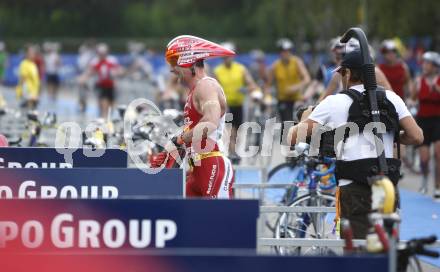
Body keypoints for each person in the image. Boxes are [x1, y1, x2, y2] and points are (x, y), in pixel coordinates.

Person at [288, 49, 423, 238]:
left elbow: (293, 137)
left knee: (357, 254)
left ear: (348, 73)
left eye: (342, 73)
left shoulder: (335, 102)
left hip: (354, 187)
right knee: (386, 250)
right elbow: (417, 136)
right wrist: (392, 136)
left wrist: (307, 115)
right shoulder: (392, 99)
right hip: (387, 185)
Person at [152, 35, 235, 199]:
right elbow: (193, 130)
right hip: (197, 168)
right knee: (188, 222)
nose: (172, 70)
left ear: (189, 62)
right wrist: (171, 148)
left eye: (175, 64)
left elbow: (210, 123)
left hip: (212, 164)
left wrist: (180, 140)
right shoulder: (195, 91)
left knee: (219, 224)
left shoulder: (206, 85)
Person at [214, 42, 258, 162]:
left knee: (237, 132)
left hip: (239, 104)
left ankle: (234, 154)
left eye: (228, 56)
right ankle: (232, 154)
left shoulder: (240, 69)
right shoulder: (218, 71)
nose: (226, 59)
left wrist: (247, 89)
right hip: (225, 106)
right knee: (230, 132)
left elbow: (251, 84)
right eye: (224, 56)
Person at [318, 38, 392, 102]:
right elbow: (323, 98)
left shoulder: (374, 72)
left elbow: (391, 97)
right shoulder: (339, 74)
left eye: (341, 57)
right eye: (336, 58)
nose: (338, 62)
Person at [266, 38, 311, 141]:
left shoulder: (296, 62)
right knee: (286, 123)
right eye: (283, 51)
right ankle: (288, 147)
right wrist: (267, 98)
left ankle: (301, 143)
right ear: (279, 53)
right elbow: (268, 84)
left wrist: (297, 87)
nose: (285, 53)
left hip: (297, 98)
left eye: (288, 51)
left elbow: (307, 79)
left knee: (301, 121)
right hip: (283, 99)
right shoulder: (275, 66)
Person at [411, 51, 440, 199]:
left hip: (438, 121)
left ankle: (437, 187)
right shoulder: (418, 80)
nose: (425, 66)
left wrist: (436, 88)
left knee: (438, 154)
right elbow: (413, 98)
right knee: (424, 158)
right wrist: (415, 90)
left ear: (435, 67)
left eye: (428, 63)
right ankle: (424, 179)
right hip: (423, 121)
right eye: (424, 63)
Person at [79, 43, 123, 117]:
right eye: (100, 53)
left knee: (111, 105)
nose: (102, 55)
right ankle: (103, 118)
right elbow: (90, 71)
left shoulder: (112, 60)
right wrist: (84, 77)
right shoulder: (95, 61)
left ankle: (107, 118)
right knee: (103, 104)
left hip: (111, 85)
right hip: (101, 85)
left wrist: (118, 73)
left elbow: (119, 69)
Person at [16, 45, 40, 109]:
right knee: (31, 106)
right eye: (31, 53)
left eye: (34, 53)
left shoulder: (33, 64)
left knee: (33, 107)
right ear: (26, 54)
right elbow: (23, 78)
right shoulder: (24, 63)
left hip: (34, 90)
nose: (33, 55)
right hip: (28, 89)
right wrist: (20, 89)